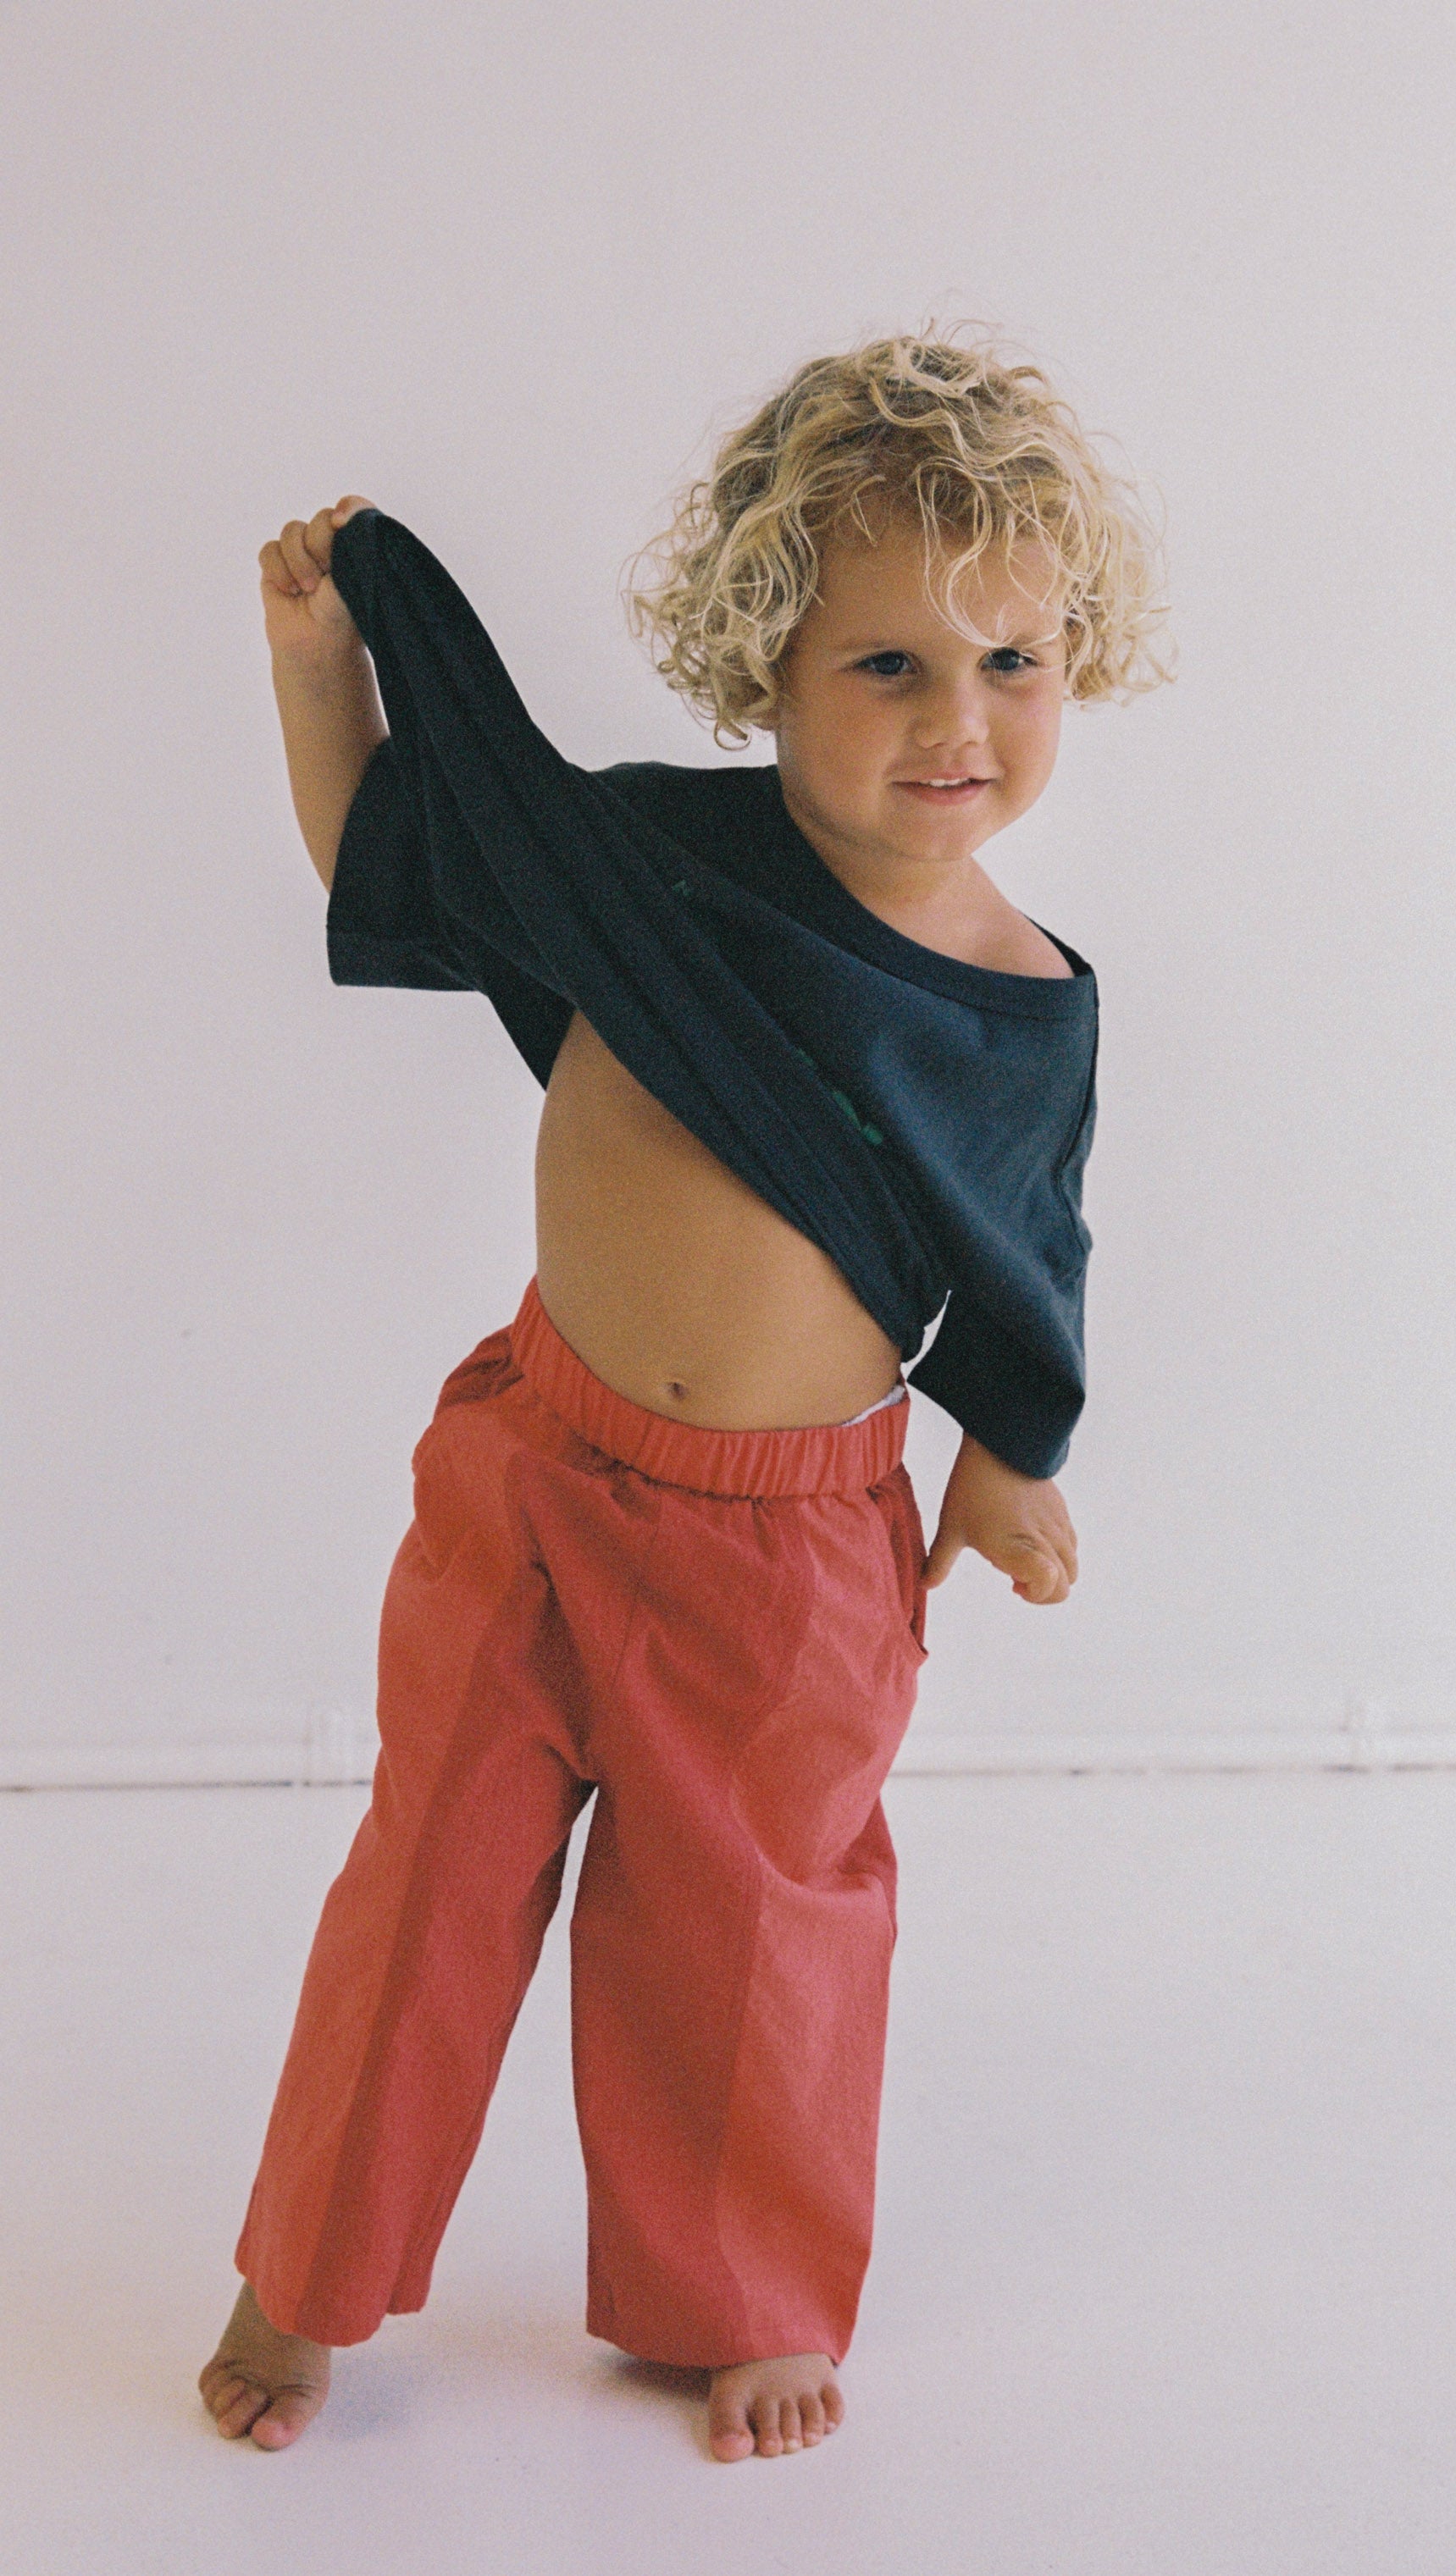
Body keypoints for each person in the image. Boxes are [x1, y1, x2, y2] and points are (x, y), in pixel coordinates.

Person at [197, 331, 1168, 2463]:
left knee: (749, 1936)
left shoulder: (1023, 1005)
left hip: (790, 1550)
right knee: (426, 1872)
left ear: (1077, 654)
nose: (956, 721)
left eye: (1009, 659)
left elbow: (1034, 1252)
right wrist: (313, 675)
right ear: (764, 657)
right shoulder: (655, 870)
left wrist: (1008, 1464)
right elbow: (397, 862)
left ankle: (740, 2296)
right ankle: (311, 2269)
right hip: (536, 1470)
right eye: (884, 666)